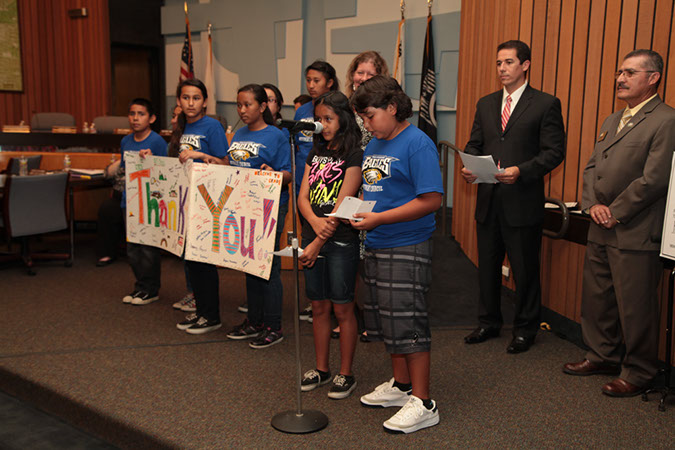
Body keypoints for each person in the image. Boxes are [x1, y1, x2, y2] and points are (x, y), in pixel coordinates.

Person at [563, 49, 675, 397]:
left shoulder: (666, 120)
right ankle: (602, 355)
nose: (620, 79)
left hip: (636, 229)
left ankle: (639, 370)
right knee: (598, 298)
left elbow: (655, 179)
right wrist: (592, 204)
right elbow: (592, 167)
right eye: (619, 72)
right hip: (599, 225)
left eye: (629, 73)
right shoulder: (612, 120)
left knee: (635, 304)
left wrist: (615, 210)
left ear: (652, 78)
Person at [350, 76, 443, 434]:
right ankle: (402, 385)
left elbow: (431, 199)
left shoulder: (416, 143)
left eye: (370, 116)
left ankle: (423, 402)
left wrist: (379, 218)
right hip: (376, 241)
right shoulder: (375, 142)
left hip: (406, 244)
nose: (366, 124)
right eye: (362, 119)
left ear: (392, 108)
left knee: (408, 322)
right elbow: (379, 190)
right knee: (388, 319)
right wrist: (353, 211)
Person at [461, 40, 565, 353]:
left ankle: (525, 329)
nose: (502, 69)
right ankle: (489, 322)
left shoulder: (545, 104)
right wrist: (470, 164)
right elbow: (475, 143)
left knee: (524, 270)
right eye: (498, 63)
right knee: (488, 268)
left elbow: (554, 152)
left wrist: (521, 169)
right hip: (489, 200)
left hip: (522, 201)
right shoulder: (486, 103)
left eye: (508, 62)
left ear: (525, 65)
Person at [298, 91, 363, 398]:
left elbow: (344, 202)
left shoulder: (353, 153)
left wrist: (318, 241)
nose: (322, 125)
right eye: (319, 119)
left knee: (342, 307)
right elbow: (303, 196)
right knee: (318, 305)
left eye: (328, 119)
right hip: (314, 232)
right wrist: (312, 224)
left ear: (343, 119)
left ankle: (345, 372)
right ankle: (322, 368)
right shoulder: (316, 151)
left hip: (339, 240)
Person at [223, 84, 291, 349]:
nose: (242, 110)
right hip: (243, 206)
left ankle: (274, 326)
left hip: (270, 207)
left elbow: (288, 174)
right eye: (238, 105)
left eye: (247, 105)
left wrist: (271, 173)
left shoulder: (277, 135)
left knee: (268, 268)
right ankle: (255, 321)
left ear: (262, 107)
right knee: (249, 265)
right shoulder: (238, 133)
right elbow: (231, 167)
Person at [332, 50, 390, 341]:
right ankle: (348, 317)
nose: (363, 78)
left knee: (371, 262)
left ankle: (374, 320)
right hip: (341, 191)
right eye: (359, 73)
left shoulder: (382, 114)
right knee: (347, 258)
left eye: (370, 74)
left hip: (372, 194)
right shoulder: (342, 109)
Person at [173, 79, 229, 334]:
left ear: (205, 102)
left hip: (206, 202)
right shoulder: (180, 126)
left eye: (196, 98)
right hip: (184, 200)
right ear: (179, 101)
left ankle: (211, 315)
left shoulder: (213, 126)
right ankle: (201, 311)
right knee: (192, 261)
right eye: (186, 98)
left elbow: (225, 163)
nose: (191, 103)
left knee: (203, 261)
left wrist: (199, 155)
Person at [294, 60, 341, 322]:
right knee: (310, 241)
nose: (311, 85)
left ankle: (339, 303)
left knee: (334, 247)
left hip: (331, 188)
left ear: (330, 82)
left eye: (317, 80)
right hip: (306, 188)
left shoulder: (338, 109)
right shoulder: (302, 112)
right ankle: (318, 300)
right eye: (308, 80)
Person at [119, 98, 168, 305]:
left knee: (148, 247)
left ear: (152, 118)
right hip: (129, 200)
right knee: (133, 248)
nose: (135, 118)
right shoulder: (126, 141)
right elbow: (124, 169)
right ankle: (139, 286)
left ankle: (151, 288)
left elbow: (165, 171)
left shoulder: (157, 141)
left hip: (149, 202)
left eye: (141, 114)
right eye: (132, 114)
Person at [167, 105, 196, 314]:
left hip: (198, 195)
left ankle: (197, 294)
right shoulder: (176, 137)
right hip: (180, 196)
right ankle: (191, 291)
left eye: (178, 115)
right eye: (173, 115)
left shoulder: (203, 130)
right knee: (185, 248)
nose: (174, 119)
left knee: (195, 250)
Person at [95, 155, 125, 267]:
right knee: (107, 208)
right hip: (119, 196)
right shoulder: (123, 160)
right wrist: (121, 161)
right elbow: (106, 174)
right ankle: (106, 253)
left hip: (140, 197)